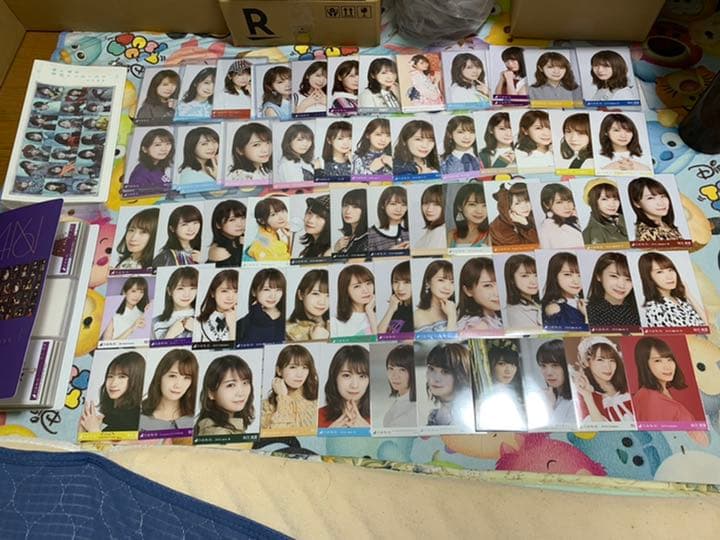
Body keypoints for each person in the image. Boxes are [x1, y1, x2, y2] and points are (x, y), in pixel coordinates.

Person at [632, 337, 696, 423]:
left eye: (669, 359)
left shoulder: (661, 391)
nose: (667, 366)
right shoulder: (651, 399)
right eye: (658, 361)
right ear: (644, 364)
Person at [572, 336, 635, 423]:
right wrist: (588, 396)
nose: (608, 367)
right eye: (600, 360)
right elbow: (598, 428)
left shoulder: (630, 387)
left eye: (612, 360)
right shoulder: (584, 395)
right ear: (587, 362)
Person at [79, 351, 145, 433]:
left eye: (122, 377)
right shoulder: (111, 417)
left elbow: (116, 442)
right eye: (110, 376)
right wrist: (83, 431)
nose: (113, 383)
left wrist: (94, 430)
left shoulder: (134, 420)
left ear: (136, 379)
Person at [638, 252, 706, 328]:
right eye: (660, 272)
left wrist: (689, 295)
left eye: (670, 270)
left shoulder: (680, 300)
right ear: (648, 277)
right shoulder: (655, 309)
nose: (669, 276)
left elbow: (707, 325)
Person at [262, 344, 319, 432]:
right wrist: (282, 397)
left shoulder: (316, 403)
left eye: (304, 367)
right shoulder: (266, 407)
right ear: (279, 370)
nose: (299, 374)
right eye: (293, 367)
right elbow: (279, 435)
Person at [139, 348, 198, 432]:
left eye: (186, 378)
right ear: (160, 377)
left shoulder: (196, 419)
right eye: (172, 376)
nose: (178, 385)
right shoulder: (138, 417)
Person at [196, 355, 255, 436]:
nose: (241, 393)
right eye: (230, 385)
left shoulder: (231, 425)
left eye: (245, 383)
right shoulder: (219, 433)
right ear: (211, 393)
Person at [319, 345, 370, 429]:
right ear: (334, 377)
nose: (354, 385)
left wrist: (368, 432)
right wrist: (328, 434)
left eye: (362, 376)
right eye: (346, 375)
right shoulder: (318, 417)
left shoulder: (379, 418)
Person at [586, 252, 641, 329]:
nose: (621, 285)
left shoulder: (641, 312)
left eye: (629, 279)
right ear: (599, 276)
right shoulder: (588, 313)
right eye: (614, 276)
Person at [425, 343, 472, 426]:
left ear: (460, 375)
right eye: (431, 369)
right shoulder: (434, 415)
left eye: (445, 372)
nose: (436, 378)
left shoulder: (468, 415)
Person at [236, 268, 286, 345]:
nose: (273, 296)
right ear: (254, 292)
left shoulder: (288, 322)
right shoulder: (243, 324)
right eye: (266, 289)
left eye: (278, 290)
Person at [541, 252, 588, 330]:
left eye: (580, 275)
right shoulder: (554, 308)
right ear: (554, 276)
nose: (576, 281)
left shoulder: (585, 303)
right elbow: (571, 334)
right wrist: (587, 317)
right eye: (568, 274)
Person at [627, 176, 683, 243]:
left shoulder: (666, 225)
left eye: (663, 196)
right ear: (637, 203)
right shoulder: (647, 234)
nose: (661, 203)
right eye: (650, 198)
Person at [535, 339, 576, 426]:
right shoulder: (547, 396)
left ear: (567, 366)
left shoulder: (576, 403)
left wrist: (548, 408)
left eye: (555, 365)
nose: (548, 372)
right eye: (543, 366)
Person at [457, 257, 502, 334]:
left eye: (500, 283)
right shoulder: (479, 326)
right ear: (468, 290)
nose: (498, 292)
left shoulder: (496, 318)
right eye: (487, 285)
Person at [152, 267, 198, 341]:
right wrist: (169, 335)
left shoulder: (205, 319)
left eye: (192, 288)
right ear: (169, 291)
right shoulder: (155, 323)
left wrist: (197, 330)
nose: (187, 294)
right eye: (180, 288)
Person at [331, 265, 377, 338]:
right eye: (357, 286)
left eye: (368, 283)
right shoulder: (335, 323)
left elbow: (380, 341)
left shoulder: (379, 316)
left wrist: (370, 312)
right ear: (346, 290)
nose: (366, 290)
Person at [489, 182, 539, 248]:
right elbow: (530, 247)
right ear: (508, 206)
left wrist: (526, 225)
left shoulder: (530, 215)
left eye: (527, 201)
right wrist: (526, 227)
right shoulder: (500, 228)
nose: (525, 207)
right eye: (517, 203)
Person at [286, 269, 330, 342]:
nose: (322, 302)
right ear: (300, 295)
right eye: (315, 294)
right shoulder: (287, 331)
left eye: (328, 295)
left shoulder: (337, 325)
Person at [414, 260, 457, 334]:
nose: (447, 287)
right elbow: (449, 340)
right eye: (441, 280)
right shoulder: (417, 316)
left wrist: (452, 316)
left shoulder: (458, 312)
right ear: (428, 283)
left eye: (452, 282)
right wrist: (452, 317)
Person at [102, 277, 150, 341]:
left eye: (141, 292)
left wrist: (148, 314)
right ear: (124, 292)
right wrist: (132, 328)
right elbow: (106, 343)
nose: (137, 296)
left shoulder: (142, 314)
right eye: (133, 291)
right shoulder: (112, 313)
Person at [126, 128, 174, 194]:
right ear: (145, 149)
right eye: (158, 145)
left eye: (168, 144)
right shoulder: (141, 175)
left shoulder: (157, 167)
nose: (164, 149)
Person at [196, 270, 238, 343]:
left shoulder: (245, 321)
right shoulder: (199, 322)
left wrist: (232, 327)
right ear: (213, 293)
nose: (230, 297)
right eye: (224, 291)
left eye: (236, 291)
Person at [245, 197, 291, 262]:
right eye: (273, 214)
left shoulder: (271, 234)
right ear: (262, 220)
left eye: (282, 211)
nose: (281, 217)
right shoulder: (264, 243)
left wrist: (289, 237)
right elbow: (286, 261)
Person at [582, 179, 628, 245]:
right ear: (593, 201)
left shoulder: (620, 220)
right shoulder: (594, 233)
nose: (612, 204)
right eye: (604, 199)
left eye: (615, 199)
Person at [538, 183, 584, 249]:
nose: (567, 207)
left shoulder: (573, 221)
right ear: (546, 205)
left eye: (569, 201)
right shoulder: (549, 228)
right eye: (559, 202)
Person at [504, 254, 542, 331]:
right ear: (511, 279)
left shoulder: (537, 302)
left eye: (536, 275)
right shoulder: (515, 312)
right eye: (525, 276)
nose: (534, 281)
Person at [382, 344, 417, 428]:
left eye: (402, 370)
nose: (394, 376)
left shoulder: (413, 409)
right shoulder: (401, 399)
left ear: (413, 372)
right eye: (391, 368)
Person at [367, 185, 410, 252]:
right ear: (382, 205)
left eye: (404, 205)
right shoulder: (371, 234)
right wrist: (389, 253)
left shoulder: (413, 229)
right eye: (393, 204)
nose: (399, 209)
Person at [377, 260, 414, 336]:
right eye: (396, 282)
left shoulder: (418, 312)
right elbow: (378, 337)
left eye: (407, 282)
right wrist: (391, 309)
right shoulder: (396, 307)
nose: (400, 288)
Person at [448, 183, 489, 248]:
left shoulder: (491, 235)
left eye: (484, 205)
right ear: (460, 207)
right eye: (472, 204)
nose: (479, 211)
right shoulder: (451, 235)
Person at [207, 200, 246, 267]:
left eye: (243, 218)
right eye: (232, 220)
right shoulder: (219, 251)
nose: (240, 224)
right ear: (218, 224)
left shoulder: (240, 241)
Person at [333, 188, 368, 256]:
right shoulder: (349, 236)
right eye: (345, 205)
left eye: (355, 206)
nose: (348, 211)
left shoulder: (366, 240)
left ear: (365, 209)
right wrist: (336, 249)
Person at [298, 194, 331, 259]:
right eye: (309, 213)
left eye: (319, 216)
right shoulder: (312, 247)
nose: (310, 220)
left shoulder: (329, 252)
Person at [415, 184, 447, 251]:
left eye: (436, 204)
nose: (429, 209)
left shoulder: (441, 232)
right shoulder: (433, 229)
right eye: (426, 203)